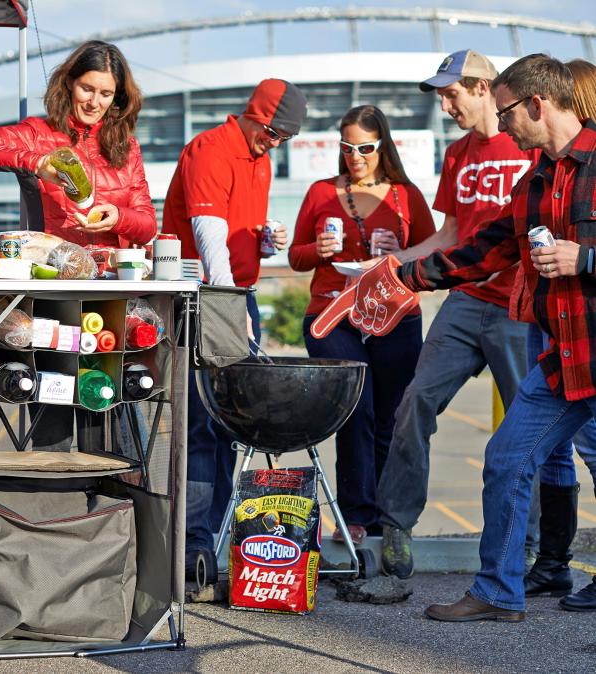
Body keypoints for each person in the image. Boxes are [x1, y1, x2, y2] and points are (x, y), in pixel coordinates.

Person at [386, 53, 596, 621]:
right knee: (506, 459)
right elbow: (488, 249)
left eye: (506, 114)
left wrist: (589, 257)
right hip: (563, 356)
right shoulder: (537, 180)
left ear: (537, 104)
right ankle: (499, 592)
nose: (500, 126)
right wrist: (407, 277)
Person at [374, 50, 536, 578]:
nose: (446, 105)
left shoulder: (527, 143)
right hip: (465, 301)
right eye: (442, 95)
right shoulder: (457, 154)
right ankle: (395, 528)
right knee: (415, 401)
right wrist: (388, 265)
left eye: (452, 93)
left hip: (519, 302)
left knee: (524, 424)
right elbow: (448, 235)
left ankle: (530, 545)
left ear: (484, 88)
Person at [0, 40, 157, 450]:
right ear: (69, 84)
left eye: (106, 93)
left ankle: (107, 507)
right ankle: (52, 507)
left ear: (118, 97)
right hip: (50, 294)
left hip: (110, 294)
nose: (95, 101)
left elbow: (148, 224)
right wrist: (36, 163)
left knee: (108, 415)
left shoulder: (125, 145)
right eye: (87, 89)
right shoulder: (38, 133)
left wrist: (118, 217)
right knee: (53, 413)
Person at [161, 79, 307, 573]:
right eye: (271, 131)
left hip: (239, 293)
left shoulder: (260, 160)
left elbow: (236, 236)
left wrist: (263, 242)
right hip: (205, 297)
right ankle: (195, 545)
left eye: (284, 137)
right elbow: (207, 235)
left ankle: (223, 533)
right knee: (203, 423)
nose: (275, 142)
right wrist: (227, 304)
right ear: (253, 113)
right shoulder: (211, 149)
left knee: (230, 423)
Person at [289, 105, 435, 544]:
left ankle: (387, 519)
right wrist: (319, 249)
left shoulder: (406, 194)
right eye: (347, 147)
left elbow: (431, 252)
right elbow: (295, 257)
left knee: (391, 417)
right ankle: (355, 515)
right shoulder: (320, 192)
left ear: (382, 146)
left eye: (366, 147)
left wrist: (401, 248)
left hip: (394, 314)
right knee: (357, 410)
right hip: (334, 314)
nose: (356, 156)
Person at [526, 58, 596, 612]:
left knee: (591, 449)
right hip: (558, 334)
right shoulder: (545, 173)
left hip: (584, 337)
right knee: (530, 453)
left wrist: (586, 257)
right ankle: (546, 568)